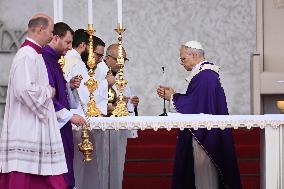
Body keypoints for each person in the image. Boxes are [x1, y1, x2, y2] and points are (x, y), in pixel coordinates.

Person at [157, 41, 242, 189]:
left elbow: (196, 106)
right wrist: (173, 96)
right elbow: (198, 102)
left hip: (205, 136)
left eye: (183, 58)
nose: (181, 63)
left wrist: (173, 97)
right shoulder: (204, 74)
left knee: (204, 177)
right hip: (205, 132)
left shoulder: (206, 76)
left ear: (194, 55)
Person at [0, 14, 67, 189]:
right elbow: (24, 89)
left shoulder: (34, 54)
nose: (53, 36)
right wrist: (49, 92)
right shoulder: (26, 56)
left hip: (34, 124)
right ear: (40, 29)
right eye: (51, 32)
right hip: (27, 127)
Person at [64, 30, 115, 189]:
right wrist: (107, 83)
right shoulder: (76, 63)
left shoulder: (71, 61)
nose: (99, 60)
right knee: (79, 168)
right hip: (78, 124)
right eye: (98, 55)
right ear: (85, 46)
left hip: (73, 121)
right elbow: (86, 97)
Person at [42, 22, 86, 189]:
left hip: (61, 127)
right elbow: (46, 98)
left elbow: (58, 90)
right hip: (53, 128)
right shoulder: (44, 59)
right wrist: (69, 116)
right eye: (67, 42)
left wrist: (69, 86)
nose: (69, 47)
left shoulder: (54, 59)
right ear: (56, 38)